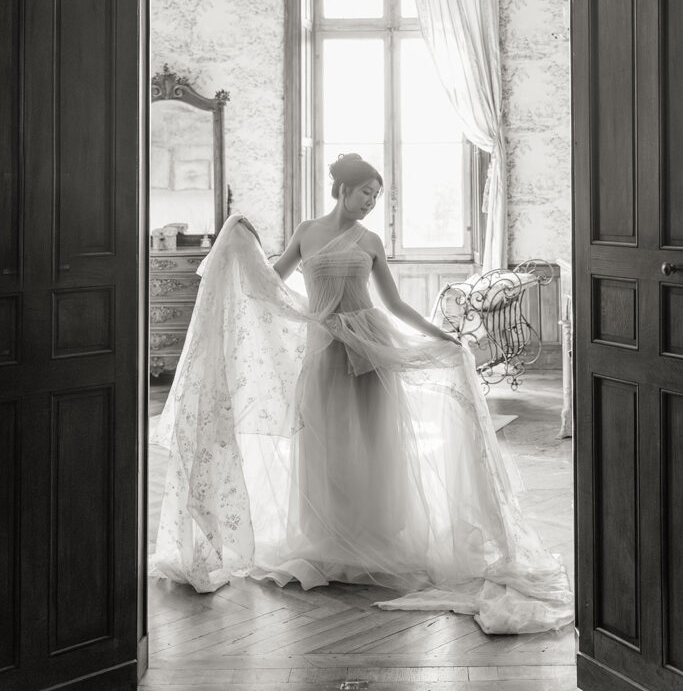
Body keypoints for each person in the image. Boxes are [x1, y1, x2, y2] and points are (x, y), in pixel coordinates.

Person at [150, 153, 573, 635]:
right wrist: (241, 241)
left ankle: (375, 533)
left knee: (375, 441)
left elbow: (393, 304)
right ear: (342, 190)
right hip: (323, 350)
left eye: (377, 195)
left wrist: (440, 336)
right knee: (323, 443)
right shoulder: (307, 232)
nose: (372, 202)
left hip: (371, 347)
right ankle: (329, 537)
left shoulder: (370, 241)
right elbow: (269, 284)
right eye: (366, 192)